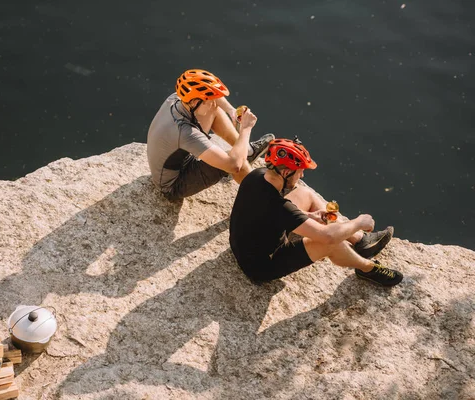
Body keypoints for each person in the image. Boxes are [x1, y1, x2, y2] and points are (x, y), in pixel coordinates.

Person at [229, 137, 402, 286]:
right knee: (332, 242)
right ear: (287, 172)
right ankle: (367, 268)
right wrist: (358, 223)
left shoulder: (257, 175)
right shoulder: (279, 207)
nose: (302, 176)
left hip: (246, 241)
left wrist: (308, 217)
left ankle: (360, 241)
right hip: (262, 265)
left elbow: (269, 213)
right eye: (300, 171)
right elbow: (328, 237)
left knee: (306, 194)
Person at [147, 69, 275, 200]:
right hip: (174, 184)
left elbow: (214, 99)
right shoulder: (185, 133)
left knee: (213, 110)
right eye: (208, 100)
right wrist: (246, 129)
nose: (213, 102)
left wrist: (231, 112)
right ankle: (263, 197)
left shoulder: (178, 99)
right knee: (237, 161)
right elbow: (233, 165)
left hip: (178, 157)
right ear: (195, 102)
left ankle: (246, 150)